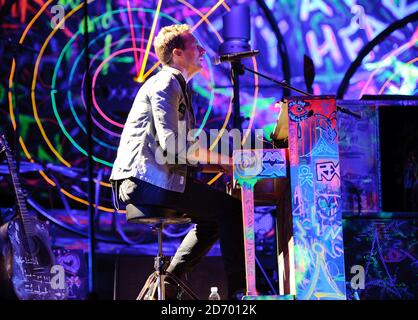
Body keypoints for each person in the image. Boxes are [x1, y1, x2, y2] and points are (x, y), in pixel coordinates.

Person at [109, 24, 246, 300]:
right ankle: (240, 295)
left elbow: (176, 152)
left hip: (153, 177)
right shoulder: (165, 83)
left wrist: (220, 165)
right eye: (196, 46)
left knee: (217, 216)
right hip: (141, 181)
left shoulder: (179, 87)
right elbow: (174, 147)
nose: (203, 51)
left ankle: (170, 282)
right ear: (177, 53)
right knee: (230, 210)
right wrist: (229, 161)